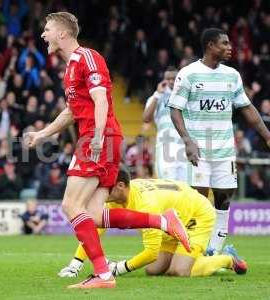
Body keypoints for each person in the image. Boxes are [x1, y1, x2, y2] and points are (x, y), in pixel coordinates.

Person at [25, 12, 190, 289]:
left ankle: (102, 274)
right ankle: (163, 221)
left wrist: (98, 136)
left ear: (63, 33)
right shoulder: (70, 68)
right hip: (100, 137)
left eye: (48, 29)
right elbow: (71, 111)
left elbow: (101, 98)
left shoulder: (87, 57)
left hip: (98, 138)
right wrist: (42, 135)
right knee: (94, 214)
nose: (44, 34)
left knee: (70, 205)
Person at [168, 28, 270, 255]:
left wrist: (267, 136)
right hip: (200, 150)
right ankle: (194, 249)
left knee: (224, 201)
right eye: (224, 43)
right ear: (210, 46)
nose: (230, 47)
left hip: (224, 151)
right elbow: (175, 110)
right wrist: (187, 141)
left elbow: (247, 108)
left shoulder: (232, 75)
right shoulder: (188, 73)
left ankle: (214, 251)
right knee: (199, 201)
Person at [58, 167, 247, 278]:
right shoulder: (119, 196)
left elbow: (150, 252)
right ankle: (196, 256)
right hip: (174, 216)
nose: (101, 192)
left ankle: (228, 259)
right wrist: (77, 262)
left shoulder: (146, 205)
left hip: (196, 215)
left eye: (105, 188)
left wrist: (119, 268)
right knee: (153, 270)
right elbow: (95, 228)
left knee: (179, 271)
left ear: (120, 186)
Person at [142, 66, 187, 181]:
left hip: (185, 145)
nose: (171, 81)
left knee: (186, 188)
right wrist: (157, 94)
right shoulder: (156, 97)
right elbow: (146, 118)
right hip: (165, 146)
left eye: (174, 78)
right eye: (168, 78)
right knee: (168, 185)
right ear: (164, 79)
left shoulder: (187, 95)